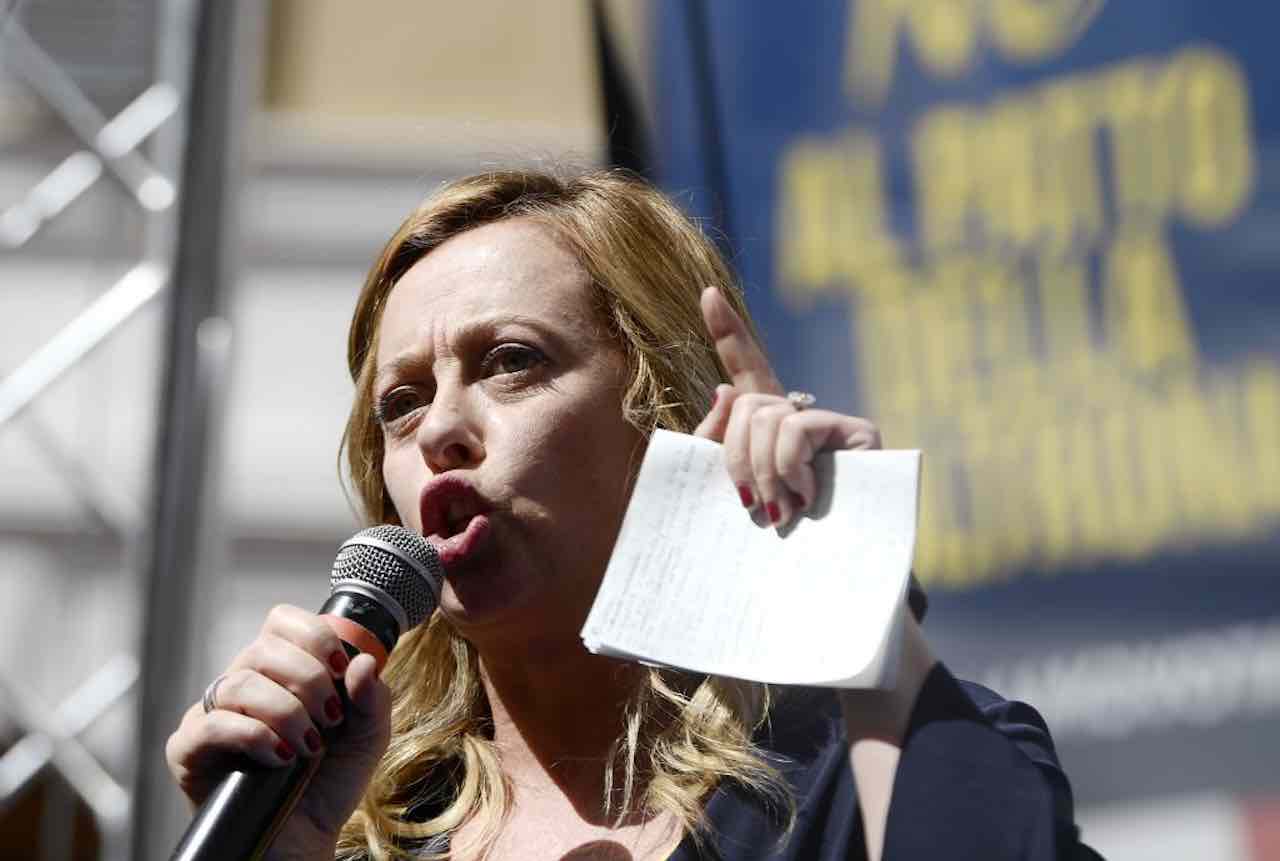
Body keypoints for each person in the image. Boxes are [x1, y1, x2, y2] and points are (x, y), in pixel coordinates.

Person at [165, 169, 1102, 860]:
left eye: (511, 362)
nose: (441, 427)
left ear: (665, 410)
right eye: (402, 403)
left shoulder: (848, 773)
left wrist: (852, 599)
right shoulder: (369, 827)